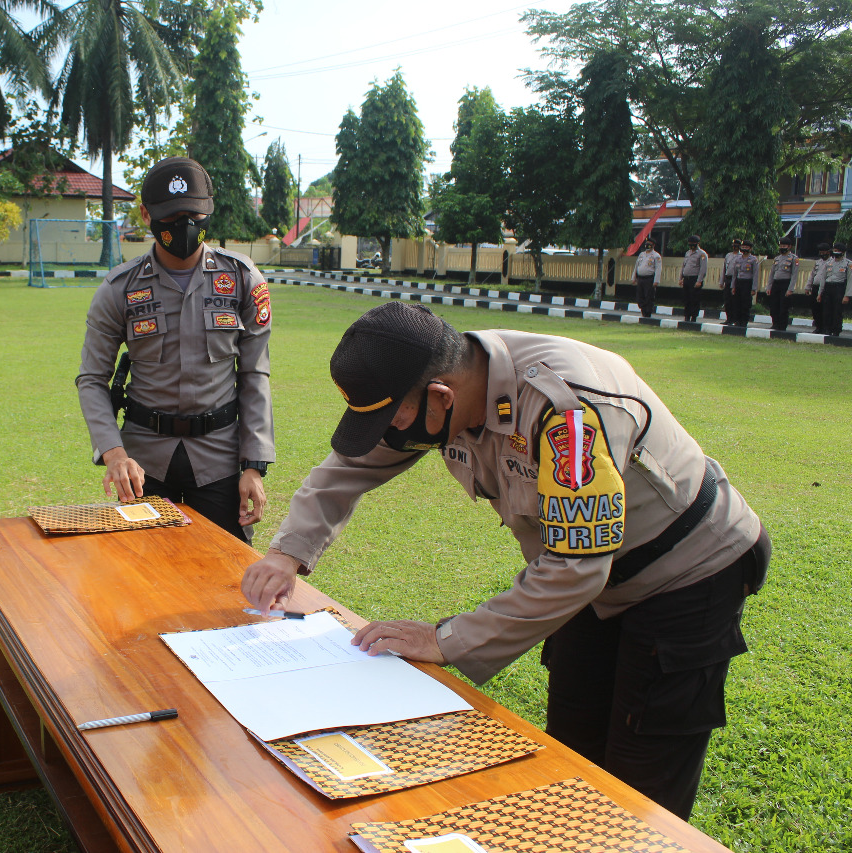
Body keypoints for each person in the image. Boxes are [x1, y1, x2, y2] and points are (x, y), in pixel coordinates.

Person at [241, 301, 768, 821]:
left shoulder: (567, 411)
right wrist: (288, 552)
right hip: (593, 583)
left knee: (639, 788)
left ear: (441, 396)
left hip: (686, 573)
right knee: (575, 755)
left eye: (391, 419)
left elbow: (575, 568)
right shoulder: (441, 386)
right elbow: (350, 468)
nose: (387, 436)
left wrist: (444, 640)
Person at [76, 156, 275, 542]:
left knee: (227, 576)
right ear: (147, 214)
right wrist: (115, 456)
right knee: (139, 577)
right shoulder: (119, 289)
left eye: (192, 214)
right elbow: (92, 379)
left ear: (208, 212)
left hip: (220, 460)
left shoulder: (241, 279)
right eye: (170, 216)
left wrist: (254, 466)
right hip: (142, 464)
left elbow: (254, 375)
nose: (183, 225)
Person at [765, 235, 798, 331]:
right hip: (776, 283)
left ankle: (782, 326)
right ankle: (775, 324)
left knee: (783, 307)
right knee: (774, 306)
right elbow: (772, 273)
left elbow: (794, 275)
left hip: (786, 284)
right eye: (781, 245)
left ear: (789, 247)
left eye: (785, 246)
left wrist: (790, 289)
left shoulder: (793, 258)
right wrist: (769, 287)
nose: (782, 247)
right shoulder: (777, 258)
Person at [822, 241, 851, 337]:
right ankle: (827, 329)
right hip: (828, 287)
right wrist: (820, 292)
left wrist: (847, 295)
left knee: (837, 311)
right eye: (834, 250)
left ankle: (836, 330)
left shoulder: (848, 264)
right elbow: (823, 278)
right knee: (827, 310)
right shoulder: (828, 263)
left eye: (838, 251)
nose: (835, 252)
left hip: (839, 288)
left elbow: (850, 280)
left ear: (842, 252)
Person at [730, 240, 761, 327]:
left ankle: (744, 321)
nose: (744, 249)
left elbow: (755, 275)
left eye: (746, 247)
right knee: (737, 303)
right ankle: (737, 320)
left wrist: (754, 288)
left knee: (745, 303)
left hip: (747, 283)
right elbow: (735, 274)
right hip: (739, 282)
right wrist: (733, 286)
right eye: (743, 247)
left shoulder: (753, 260)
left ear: (750, 249)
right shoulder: (738, 259)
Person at [678, 234, 708, 322]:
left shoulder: (702, 254)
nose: (691, 245)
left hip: (695, 279)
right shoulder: (688, 253)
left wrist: (699, 281)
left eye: (693, 243)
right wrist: (680, 278)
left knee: (694, 299)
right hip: (686, 279)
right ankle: (686, 315)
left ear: (698, 243)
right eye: (690, 243)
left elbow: (703, 269)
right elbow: (684, 266)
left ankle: (693, 317)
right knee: (686, 298)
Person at [632, 239, 662, 318]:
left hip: (649, 279)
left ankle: (647, 313)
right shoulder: (641, 254)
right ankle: (643, 310)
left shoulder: (656, 256)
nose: (648, 245)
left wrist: (656, 281)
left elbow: (658, 269)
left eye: (650, 244)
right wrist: (633, 277)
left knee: (648, 296)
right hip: (640, 278)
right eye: (646, 244)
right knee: (640, 296)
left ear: (653, 245)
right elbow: (636, 266)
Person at [806, 242, 831, 333]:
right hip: (815, 287)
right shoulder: (818, 262)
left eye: (824, 252)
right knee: (815, 308)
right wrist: (808, 286)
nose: (822, 254)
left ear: (828, 252)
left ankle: (825, 327)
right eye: (820, 252)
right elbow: (812, 275)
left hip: (825, 288)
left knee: (824, 309)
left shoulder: (831, 262)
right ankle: (818, 326)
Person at [720, 238, 742, 324]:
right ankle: (728, 318)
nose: (735, 247)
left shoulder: (741, 256)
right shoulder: (728, 255)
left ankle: (735, 319)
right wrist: (722, 281)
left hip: (736, 280)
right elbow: (724, 269)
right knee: (727, 300)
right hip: (728, 278)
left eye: (736, 246)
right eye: (733, 245)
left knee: (735, 301)